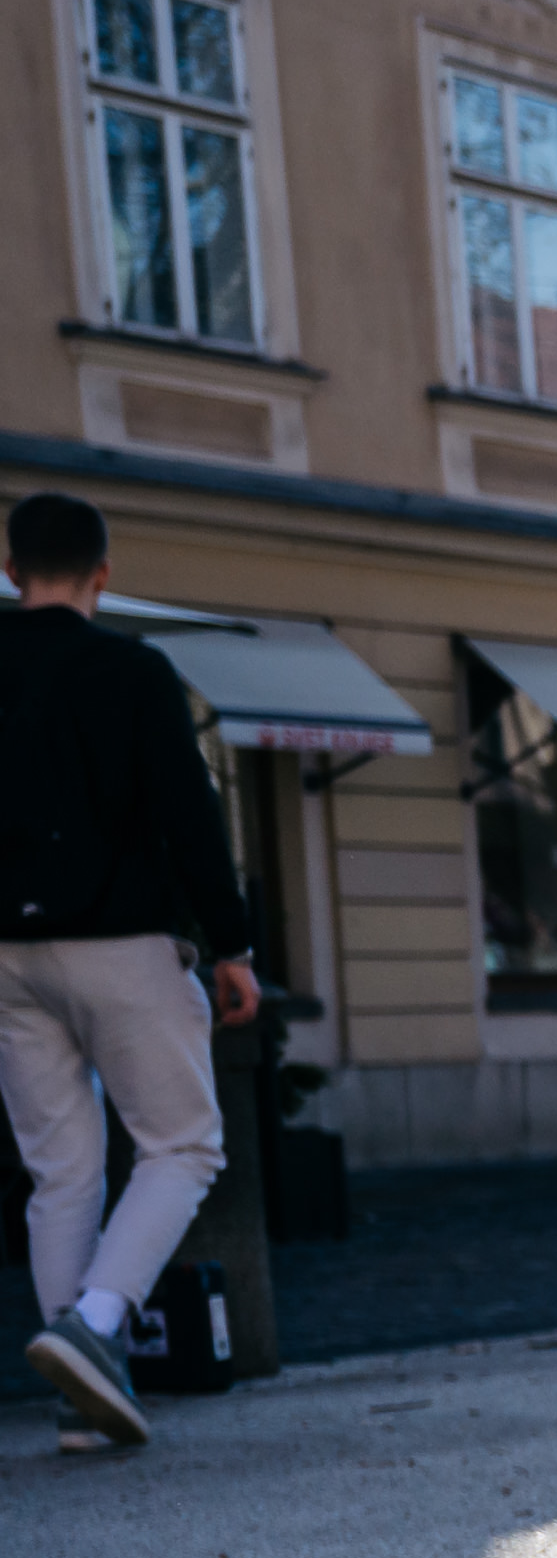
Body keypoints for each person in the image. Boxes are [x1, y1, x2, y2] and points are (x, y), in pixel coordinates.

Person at [0, 492, 254, 1453]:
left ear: (14, 568)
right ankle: (96, 1326)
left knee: (59, 1170)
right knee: (183, 1144)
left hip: (5, 956)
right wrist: (231, 946)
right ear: (103, 574)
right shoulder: (133, 672)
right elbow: (190, 816)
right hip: (120, 940)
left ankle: (82, 1399)